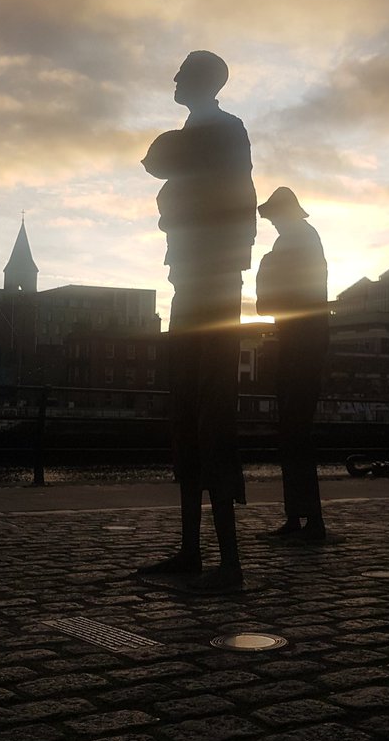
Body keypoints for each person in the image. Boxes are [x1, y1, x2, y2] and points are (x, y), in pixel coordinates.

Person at [138, 51, 256, 592]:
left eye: (183, 74)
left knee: (210, 406)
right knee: (186, 406)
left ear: (205, 83)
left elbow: (159, 158)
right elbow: (158, 158)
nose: (174, 80)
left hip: (211, 281)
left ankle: (227, 562)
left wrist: (173, 158)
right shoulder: (202, 132)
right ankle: (191, 549)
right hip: (190, 279)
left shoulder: (224, 131)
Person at [256, 187, 329, 542]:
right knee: (293, 431)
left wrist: (267, 270)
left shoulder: (293, 244)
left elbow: (270, 300)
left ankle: (308, 520)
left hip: (300, 343)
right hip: (302, 341)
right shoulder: (301, 240)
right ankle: (299, 517)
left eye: (272, 218)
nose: (272, 224)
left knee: (295, 432)